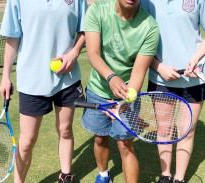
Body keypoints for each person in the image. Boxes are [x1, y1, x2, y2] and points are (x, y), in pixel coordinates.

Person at [0, 0, 87, 182]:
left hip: (67, 79)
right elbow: (13, 38)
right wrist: (5, 76)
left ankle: (66, 175)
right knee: (27, 140)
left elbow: (85, 30)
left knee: (65, 130)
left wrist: (74, 53)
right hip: (31, 79)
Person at [140, 0, 205, 182]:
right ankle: (165, 175)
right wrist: (158, 66)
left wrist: (195, 59)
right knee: (164, 130)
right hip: (160, 77)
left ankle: (179, 178)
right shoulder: (146, 2)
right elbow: (140, 38)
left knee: (186, 131)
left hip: (194, 77)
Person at [82, 0, 159, 182]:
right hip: (98, 89)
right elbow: (92, 53)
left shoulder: (150, 27)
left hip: (127, 94)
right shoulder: (97, 11)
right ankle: (103, 175)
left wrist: (124, 102)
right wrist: (111, 77)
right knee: (100, 138)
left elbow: (139, 71)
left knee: (125, 144)